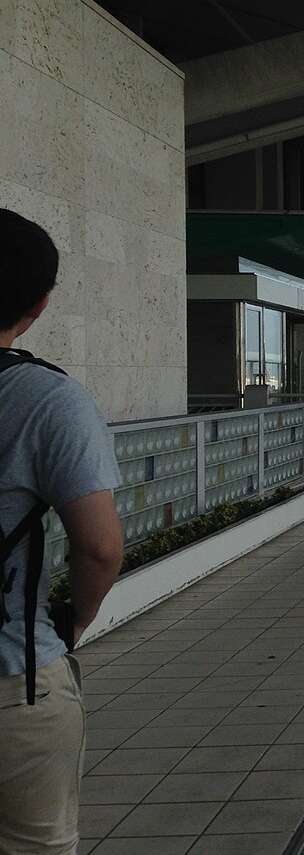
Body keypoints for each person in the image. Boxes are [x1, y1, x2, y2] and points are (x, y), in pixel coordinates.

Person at [1, 208, 125, 854]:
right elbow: (99, 547)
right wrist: (70, 623)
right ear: (41, 305)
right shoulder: (44, 398)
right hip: (10, 679)